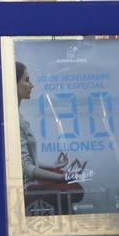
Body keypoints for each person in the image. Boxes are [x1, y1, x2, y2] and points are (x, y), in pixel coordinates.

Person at [16, 61, 83, 216]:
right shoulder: (15, 121)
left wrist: (54, 166)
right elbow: (27, 169)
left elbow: (26, 161)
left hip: (31, 182)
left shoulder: (19, 117)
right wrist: (62, 177)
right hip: (27, 187)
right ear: (14, 84)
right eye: (26, 80)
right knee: (74, 189)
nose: (31, 85)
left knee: (74, 186)